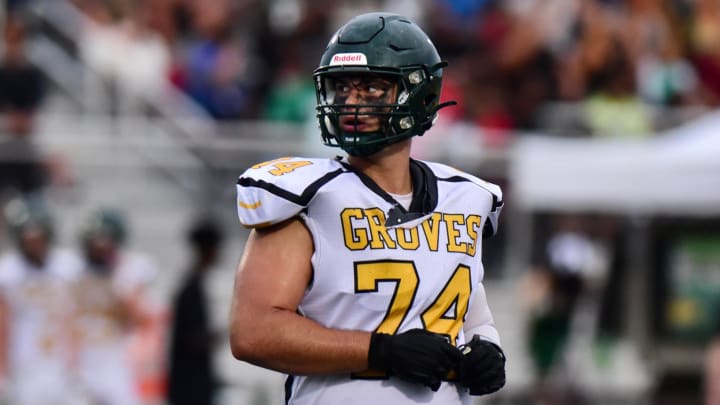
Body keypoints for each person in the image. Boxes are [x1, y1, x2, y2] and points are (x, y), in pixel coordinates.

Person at [229, 12, 506, 404]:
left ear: (418, 93)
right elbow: (253, 333)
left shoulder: (463, 197)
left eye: (371, 88)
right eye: (342, 88)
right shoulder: (308, 197)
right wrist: (380, 351)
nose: (350, 102)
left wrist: (487, 349)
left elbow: (472, 317)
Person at [0, 199, 83, 405]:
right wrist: (3, 368)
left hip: (60, 357)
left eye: (38, 238)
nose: (34, 244)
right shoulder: (8, 271)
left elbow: (74, 317)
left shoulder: (67, 267)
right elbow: (4, 323)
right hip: (25, 359)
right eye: (28, 239)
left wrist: (77, 360)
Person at [71, 208, 156, 405]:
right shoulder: (72, 269)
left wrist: (123, 287)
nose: (100, 247)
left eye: (105, 242)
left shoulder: (128, 272)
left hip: (115, 356)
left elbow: (143, 319)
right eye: (96, 241)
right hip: (82, 357)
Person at [167, 217, 224, 405]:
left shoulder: (193, 285)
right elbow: (191, 339)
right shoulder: (191, 289)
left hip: (192, 384)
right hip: (190, 386)